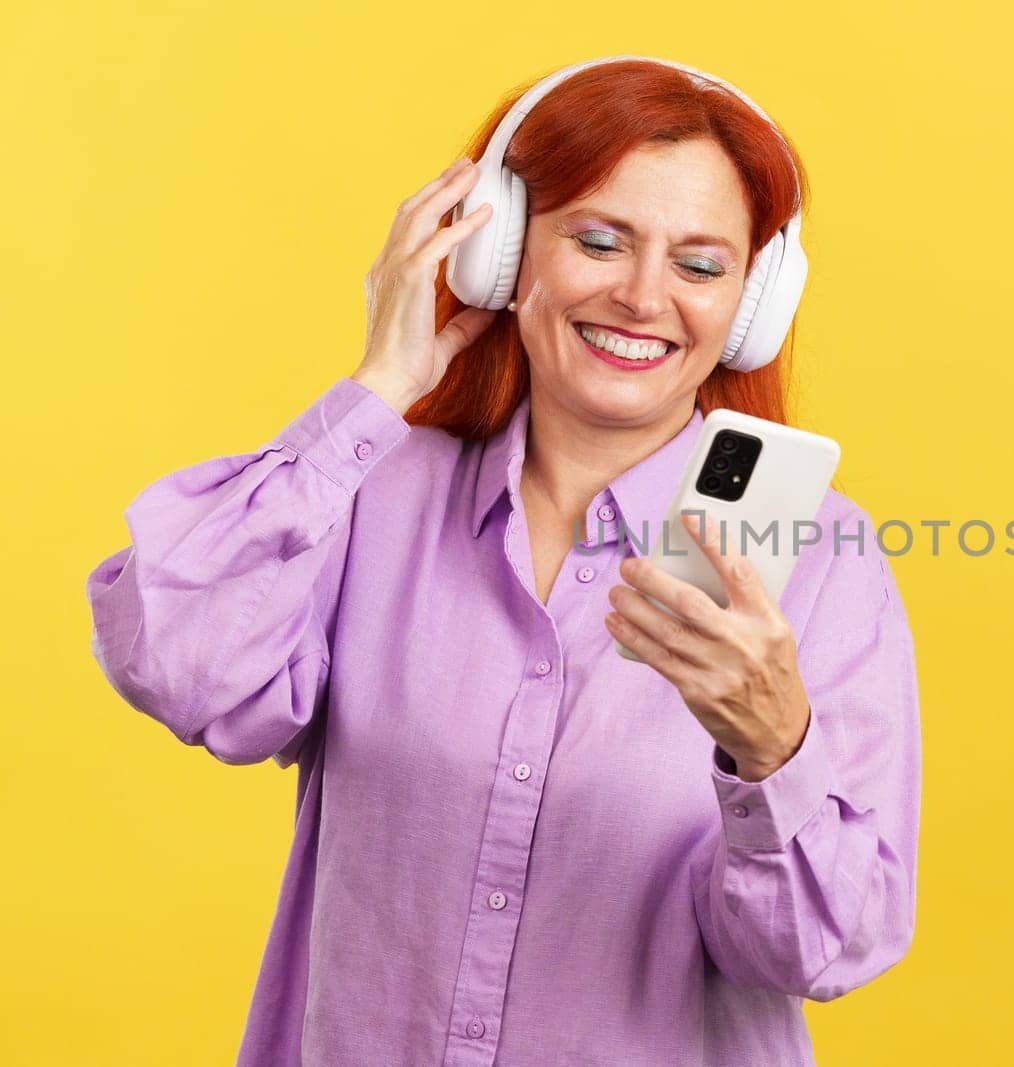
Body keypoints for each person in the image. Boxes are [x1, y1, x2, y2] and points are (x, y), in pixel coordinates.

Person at [85, 55, 920, 1066]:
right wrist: (378, 386)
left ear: (753, 306)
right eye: (599, 240)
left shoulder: (821, 561)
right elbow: (177, 666)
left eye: (700, 266)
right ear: (506, 251)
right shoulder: (370, 495)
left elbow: (820, 951)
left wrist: (771, 749)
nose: (644, 296)